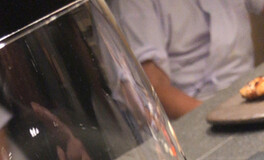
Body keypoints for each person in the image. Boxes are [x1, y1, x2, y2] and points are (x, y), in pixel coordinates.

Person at [109, 0, 264, 119]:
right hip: (194, 115)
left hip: (250, 89)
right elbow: (151, 90)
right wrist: (229, 116)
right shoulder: (132, 4)